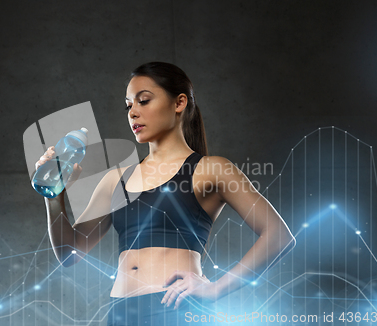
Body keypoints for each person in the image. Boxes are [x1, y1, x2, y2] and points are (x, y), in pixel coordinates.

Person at [35, 62, 296, 325]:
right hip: (120, 314)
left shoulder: (211, 169)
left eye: (143, 101)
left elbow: (279, 235)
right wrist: (54, 196)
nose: (133, 113)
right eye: (129, 106)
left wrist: (216, 288)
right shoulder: (115, 180)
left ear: (179, 103)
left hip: (176, 311)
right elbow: (70, 254)